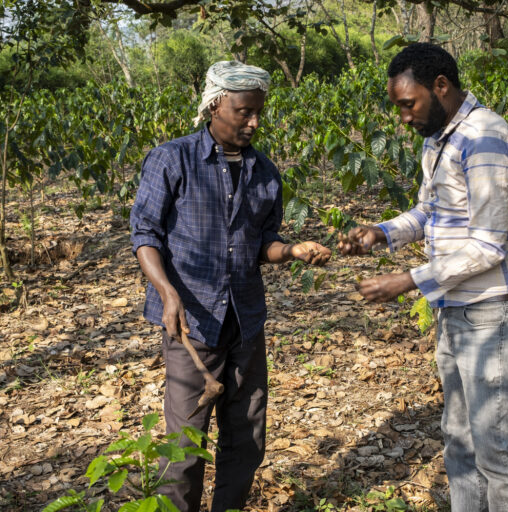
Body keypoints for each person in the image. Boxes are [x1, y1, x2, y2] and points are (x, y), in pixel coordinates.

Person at [338, 43, 508, 512]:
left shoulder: (484, 136)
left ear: (441, 87)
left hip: (496, 305)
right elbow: (431, 211)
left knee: (494, 444)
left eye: (409, 103)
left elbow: (488, 244)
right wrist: (381, 233)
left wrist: (407, 280)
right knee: (459, 438)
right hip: (457, 305)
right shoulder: (441, 137)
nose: (403, 117)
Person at [130, 60, 331, 512]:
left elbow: (265, 244)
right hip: (192, 325)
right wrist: (167, 292)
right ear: (215, 106)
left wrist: (293, 251)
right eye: (243, 111)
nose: (254, 121)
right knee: (183, 448)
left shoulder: (265, 172)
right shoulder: (172, 159)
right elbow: (145, 234)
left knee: (246, 440)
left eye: (258, 111)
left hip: (245, 323)